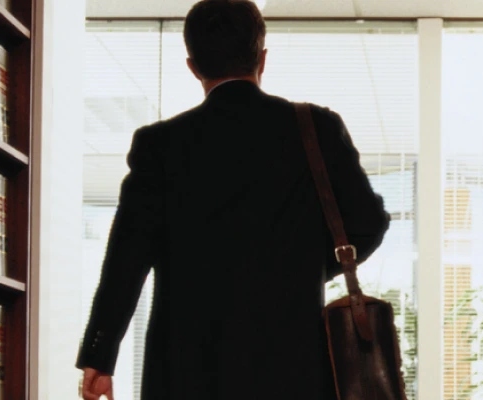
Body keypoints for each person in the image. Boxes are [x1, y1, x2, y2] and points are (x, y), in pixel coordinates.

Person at [74, 1, 392, 398]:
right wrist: (306, 266)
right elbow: (369, 222)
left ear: (193, 66)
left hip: (186, 370)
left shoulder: (160, 145)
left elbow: (126, 256)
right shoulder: (317, 129)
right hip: (295, 368)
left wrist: (100, 356)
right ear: (262, 58)